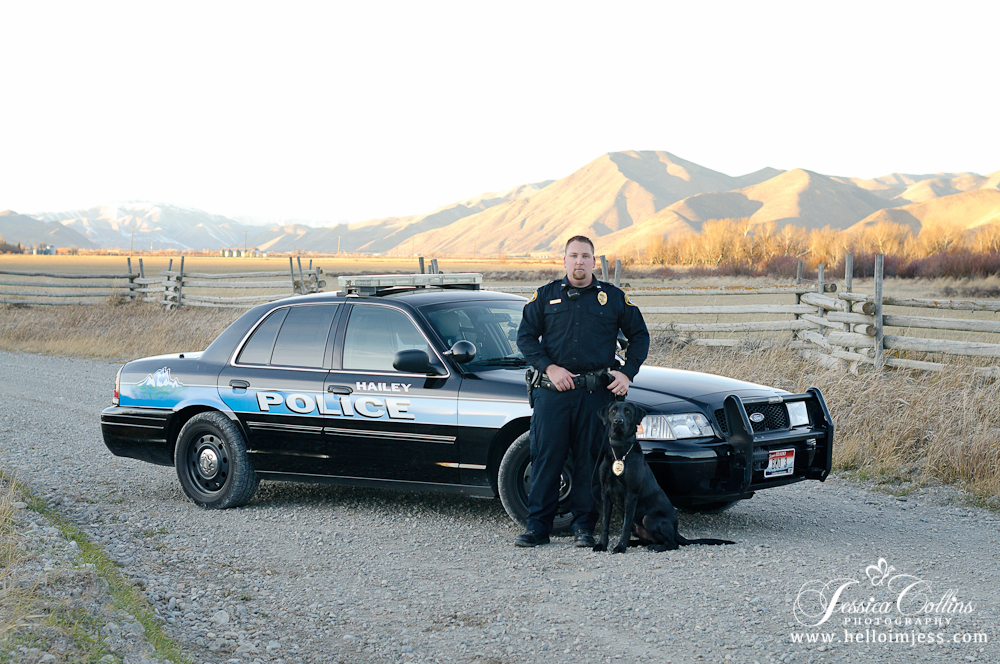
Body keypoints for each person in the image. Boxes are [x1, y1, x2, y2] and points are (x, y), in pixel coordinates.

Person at [514, 235, 649, 548]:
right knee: (547, 458)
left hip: (595, 396)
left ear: (594, 261)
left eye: (585, 256)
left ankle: (584, 527)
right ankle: (537, 529)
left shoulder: (613, 299)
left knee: (590, 462)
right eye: (573, 256)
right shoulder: (545, 297)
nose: (579, 262)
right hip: (553, 393)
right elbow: (526, 338)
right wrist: (549, 367)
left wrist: (627, 373)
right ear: (564, 260)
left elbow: (640, 336)